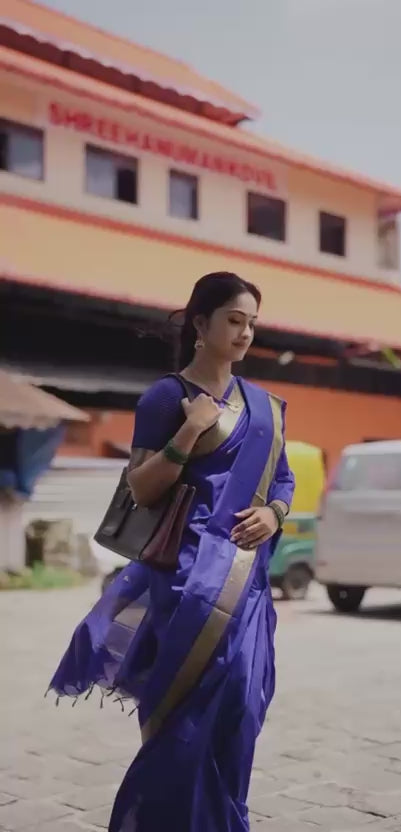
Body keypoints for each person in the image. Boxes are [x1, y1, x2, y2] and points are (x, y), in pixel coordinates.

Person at [49, 272, 295, 832]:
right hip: (185, 584)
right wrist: (189, 433)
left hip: (245, 582)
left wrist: (274, 513)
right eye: (234, 320)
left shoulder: (264, 408)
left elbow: (282, 478)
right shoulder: (167, 397)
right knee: (181, 718)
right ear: (201, 324)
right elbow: (141, 488)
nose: (245, 333)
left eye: (252, 323)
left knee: (240, 708)